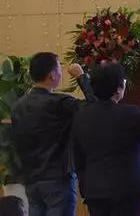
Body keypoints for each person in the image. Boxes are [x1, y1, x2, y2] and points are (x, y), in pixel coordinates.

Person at [72, 63, 140, 216]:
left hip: (94, 188)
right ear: (118, 89)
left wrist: (85, 183)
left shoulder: (82, 116)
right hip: (127, 187)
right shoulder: (129, 113)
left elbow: (78, 155)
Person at [12, 52, 95, 216]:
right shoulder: (59, 103)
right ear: (52, 75)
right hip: (58, 178)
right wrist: (81, 77)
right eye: (59, 69)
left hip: (31, 180)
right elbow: (95, 108)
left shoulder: (17, 106)